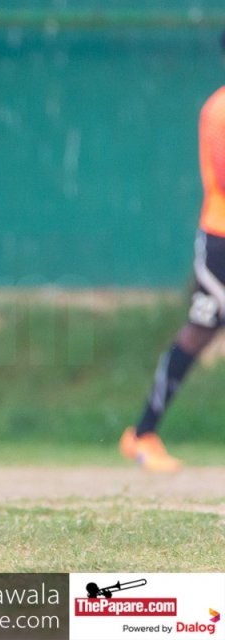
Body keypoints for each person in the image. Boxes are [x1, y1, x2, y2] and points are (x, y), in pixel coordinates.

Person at [120, 36, 225, 473]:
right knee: (199, 332)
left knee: (200, 331)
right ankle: (143, 435)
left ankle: (142, 432)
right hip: (221, 241)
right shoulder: (220, 108)